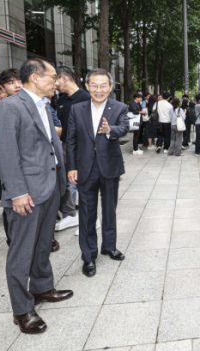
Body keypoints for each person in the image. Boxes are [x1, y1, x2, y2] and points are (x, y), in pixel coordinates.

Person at [0, 59, 73, 334]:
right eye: (53, 76)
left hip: (50, 187)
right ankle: (22, 310)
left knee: (42, 245)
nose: (57, 81)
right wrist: (17, 192)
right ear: (36, 78)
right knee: (21, 251)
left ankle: (41, 288)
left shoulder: (45, 106)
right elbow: (5, 153)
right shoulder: (8, 107)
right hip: (26, 192)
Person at [67, 69, 129, 278]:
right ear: (87, 86)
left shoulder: (119, 107)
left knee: (109, 210)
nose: (99, 89)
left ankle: (109, 247)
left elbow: (124, 128)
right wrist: (71, 167)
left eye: (103, 85)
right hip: (84, 169)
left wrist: (109, 130)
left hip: (109, 167)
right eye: (94, 85)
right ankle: (88, 256)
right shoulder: (77, 109)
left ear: (110, 87)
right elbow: (71, 141)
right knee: (87, 214)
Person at [55, 66, 91, 233]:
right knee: (64, 181)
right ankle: (70, 215)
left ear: (64, 78)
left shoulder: (86, 98)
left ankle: (88, 219)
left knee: (82, 181)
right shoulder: (60, 100)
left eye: (56, 80)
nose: (54, 84)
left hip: (81, 146)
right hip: (63, 146)